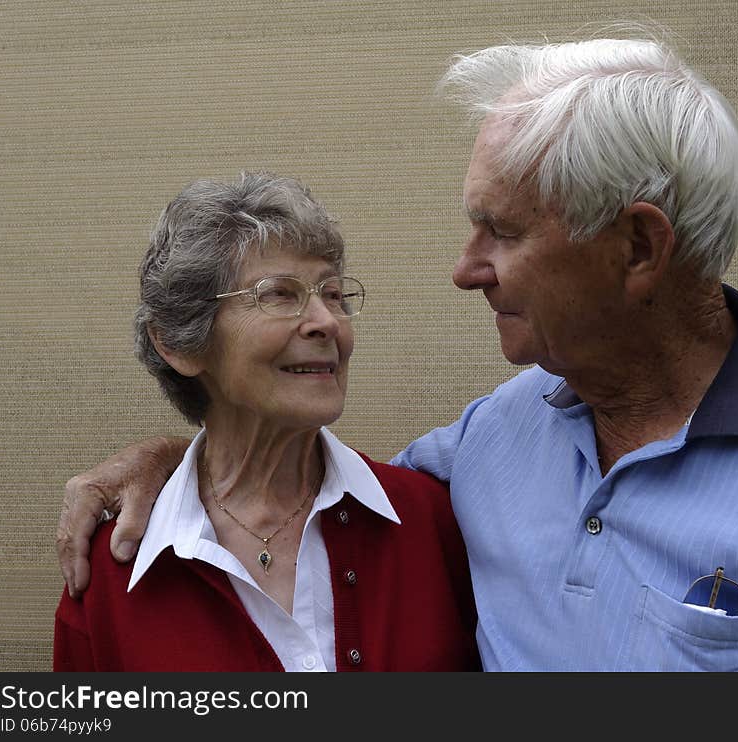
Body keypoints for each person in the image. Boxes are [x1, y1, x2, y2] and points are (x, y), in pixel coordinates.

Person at [57, 33, 738, 671]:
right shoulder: (493, 442)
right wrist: (177, 458)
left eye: (504, 231)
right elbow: (300, 475)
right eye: (279, 295)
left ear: (636, 247)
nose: (464, 269)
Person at [53, 172, 480, 671]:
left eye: (334, 293)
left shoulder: (431, 520)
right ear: (178, 343)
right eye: (279, 294)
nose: (326, 321)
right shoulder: (109, 576)